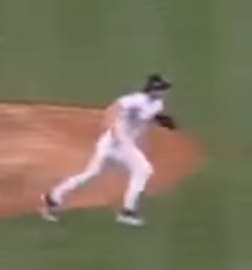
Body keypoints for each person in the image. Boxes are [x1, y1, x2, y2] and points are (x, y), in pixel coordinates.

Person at [39, 73, 179, 228]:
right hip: (116, 143)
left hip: (123, 146)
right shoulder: (135, 99)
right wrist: (110, 127)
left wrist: (162, 120)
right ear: (153, 89)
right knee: (142, 170)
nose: (165, 91)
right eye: (162, 88)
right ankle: (128, 211)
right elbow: (114, 109)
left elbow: (149, 114)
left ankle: (53, 197)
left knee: (94, 174)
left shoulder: (157, 104)